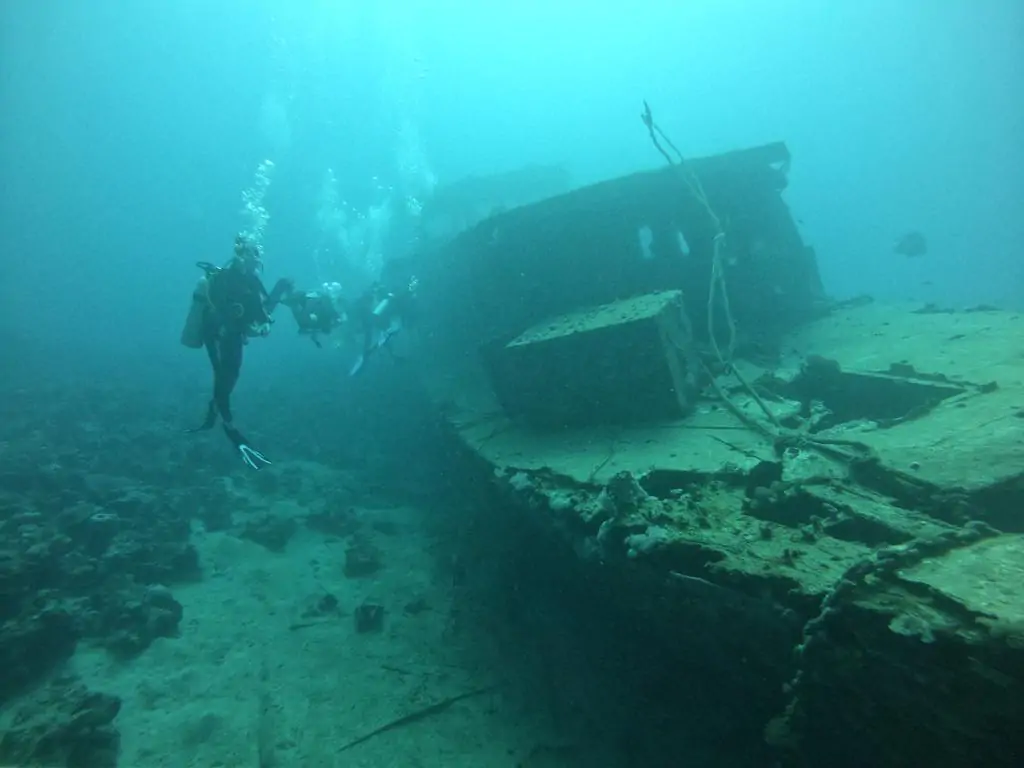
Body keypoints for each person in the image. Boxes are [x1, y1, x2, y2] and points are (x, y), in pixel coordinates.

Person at [180, 235, 293, 469]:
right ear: (241, 254)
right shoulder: (226, 278)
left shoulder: (252, 281)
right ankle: (230, 431)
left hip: (234, 336)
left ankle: (215, 411)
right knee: (224, 376)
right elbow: (223, 309)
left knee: (231, 376)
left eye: (258, 253)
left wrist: (279, 289)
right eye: (253, 253)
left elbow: (262, 313)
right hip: (219, 335)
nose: (257, 258)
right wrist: (239, 317)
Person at [348, 276, 418, 376]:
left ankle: (367, 359)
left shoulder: (384, 298)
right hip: (380, 323)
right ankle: (366, 359)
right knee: (377, 342)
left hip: (380, 323)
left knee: (378, 342)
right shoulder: (389, 297)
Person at [279, 281, 348, 347]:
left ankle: (289, 292)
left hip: (309, 320)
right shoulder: (326, 302)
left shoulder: (324, 301)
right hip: (309, 319)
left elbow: (322, 325)